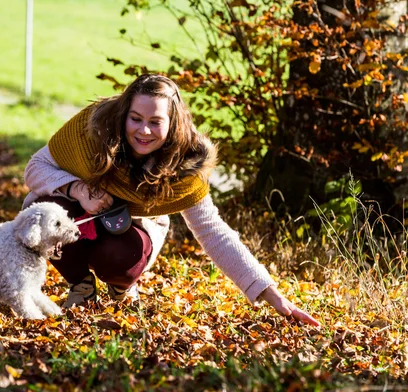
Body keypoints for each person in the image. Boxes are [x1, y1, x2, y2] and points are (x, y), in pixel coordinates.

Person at [23, 73, 320, 327]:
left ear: (172, 122)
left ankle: (121, 286)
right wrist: (78, 190)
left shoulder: (184, 164)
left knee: (119, 258)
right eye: (136, 119)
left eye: (156, 121)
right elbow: (36, 168)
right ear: (123, 113)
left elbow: (212, 230)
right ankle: (80, 284)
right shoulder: (92, 130)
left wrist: (269, 293)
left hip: (131, 231)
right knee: (46, 214)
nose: (144, 130)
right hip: (80, 211)